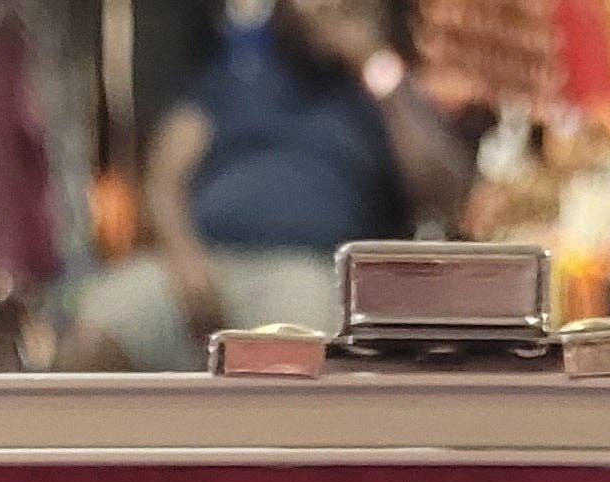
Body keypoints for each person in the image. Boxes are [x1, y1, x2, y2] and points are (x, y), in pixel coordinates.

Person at [59, 0, 471, 368]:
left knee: (301, 359)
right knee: (95, 336)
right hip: (202, 261)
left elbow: (445, 190)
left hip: (309, 271)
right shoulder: (239, 69)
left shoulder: (382, 92)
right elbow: (165, 178)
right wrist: (184, 258)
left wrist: (373, 63)